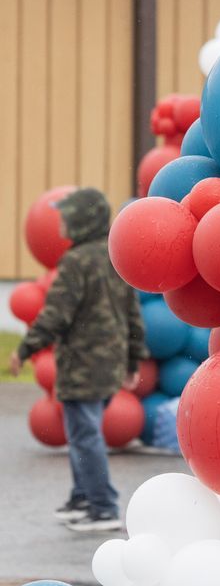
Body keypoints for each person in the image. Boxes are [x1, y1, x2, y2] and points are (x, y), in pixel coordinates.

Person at [6, 187, 144, 532]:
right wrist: (132, 361)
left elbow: (56, 314)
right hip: (108, 362)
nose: (62, 222)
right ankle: (83, 497)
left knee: (84, 434)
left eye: (67, 216)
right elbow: (131, 313)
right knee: (83, 430)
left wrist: (25, 349)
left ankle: (102, 506)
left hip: (83, 364)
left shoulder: (75, 261)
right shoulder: (114, 257)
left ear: (84, 220)